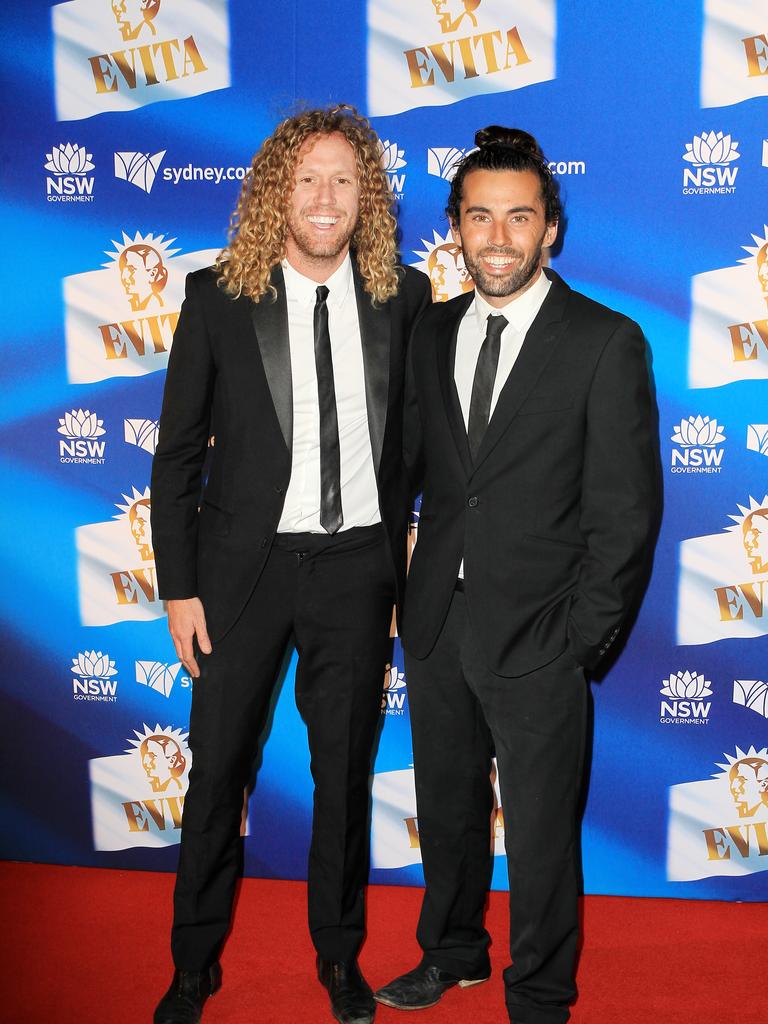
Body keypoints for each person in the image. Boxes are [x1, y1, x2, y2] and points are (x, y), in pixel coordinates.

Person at [150, 105, 431, 1024]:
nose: (324, 197)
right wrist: (180, 586)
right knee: (216, 773)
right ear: (277, 189)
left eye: (344, 180)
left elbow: (423, 442)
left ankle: (338, 958)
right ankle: (192, 965)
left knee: (343, 776)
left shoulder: (405, 298)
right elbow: (177, 454)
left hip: (355, 572)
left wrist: (411, 546)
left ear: (367, 199)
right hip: (242, 576)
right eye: (307, 177)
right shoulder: (216, 296)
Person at [375, 126, 658, 1024]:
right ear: (455, 227)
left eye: (519, 218)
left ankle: (539, 995)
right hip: (437, 625)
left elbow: (625, 514)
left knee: (539, 836)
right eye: (480, 217)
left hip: (542, 635)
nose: (498, 238)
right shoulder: (431, 331)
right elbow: (412, 473)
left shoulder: (606, 342)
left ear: (551, 231)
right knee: (448, 812)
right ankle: (453, 953)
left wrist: (580, 639)